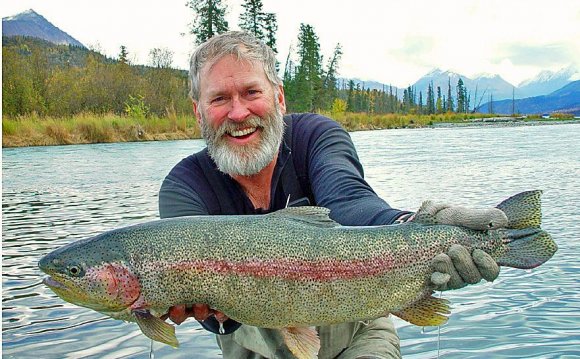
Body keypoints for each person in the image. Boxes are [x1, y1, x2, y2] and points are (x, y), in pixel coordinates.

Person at [159, 31, 500, 359]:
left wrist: (413, 225)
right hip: (253, 346)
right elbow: (194, 298)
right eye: (219, 98)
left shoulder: (316, 136)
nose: (237, 113)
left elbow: (349, 201)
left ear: (279, 97)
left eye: (251, 92)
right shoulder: (185, 186)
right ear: (198, 110)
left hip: (359, 328)